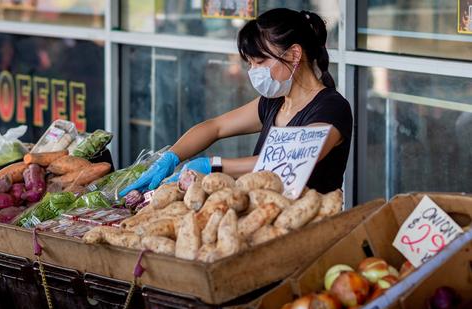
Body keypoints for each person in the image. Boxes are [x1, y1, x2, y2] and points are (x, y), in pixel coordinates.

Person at [120, 8, 352, 196]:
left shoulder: (331, 109)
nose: (254, 71)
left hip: (311, 229)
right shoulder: (274, 103)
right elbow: (215, 127)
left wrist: (213, 165)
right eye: (250, 63)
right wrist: (170, 158)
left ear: (294, 54)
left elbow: (290, 160)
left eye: (260, 61)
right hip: (265, 218)